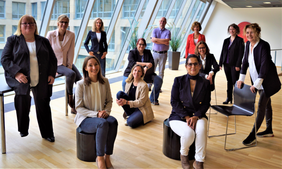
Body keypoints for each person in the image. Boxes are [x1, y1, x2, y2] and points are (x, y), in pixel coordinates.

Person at [1, 15, 57, 142]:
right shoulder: (12, 40)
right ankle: (23, 129)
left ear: (35, 25)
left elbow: (53, 59)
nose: (28, 25)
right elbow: (5, 59)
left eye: (31, 23)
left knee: (43, 104)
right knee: (22, 98)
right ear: (20, 26)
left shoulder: (43, 41)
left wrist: (51, 74)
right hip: (21, 77)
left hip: (41, 77)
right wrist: (16, 73)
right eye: (25, 23)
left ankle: (47, 133)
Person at [237, 23, 281, 146]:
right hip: (257, 81)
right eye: (247, 32)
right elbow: (245, 62)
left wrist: (257, 83)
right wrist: (241, 78)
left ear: (257, 33)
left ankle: (252, 135)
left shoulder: (264, 45)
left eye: (251, 32)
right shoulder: (247, 45)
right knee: (267, 104)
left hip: (267, 81)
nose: (249, 35)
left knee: (261, 105)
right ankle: (269, 129)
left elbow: (264, 65)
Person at [74, 56, 117, 169]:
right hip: (85, 118)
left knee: (113, 122)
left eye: (96, 64)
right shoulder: (80, 84)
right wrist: (96, 114)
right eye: (90, 65)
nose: (94, 67)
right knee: (102, 124)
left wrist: (106, 112)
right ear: (85, 68)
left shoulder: (105, 81)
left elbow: (109, 101)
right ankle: (100, 158)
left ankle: (108, 156)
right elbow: (78, 107)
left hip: (101, 115)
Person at [169, 54, 211, 169]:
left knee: (201, 129)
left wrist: (196, 116)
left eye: (195, 64)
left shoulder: (205, 83)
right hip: (179, 115)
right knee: (189, 133)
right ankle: (184, 155)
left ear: (199, 65)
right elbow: (174, 102)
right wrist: (187, 117)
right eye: (190, 64)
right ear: (186, 66)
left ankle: (199, 161)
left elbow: (207, 103)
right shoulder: (178, 80)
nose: (193, 66)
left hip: (198, 114)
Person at [46, 14, 82, 114]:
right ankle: (70, 97)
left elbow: (71, 51)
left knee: (81, 81)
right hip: (56, 64)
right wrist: (50, 68)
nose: (64, 24)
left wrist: (69, 65)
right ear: (58, 23)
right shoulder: (50, 34)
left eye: (66, 22)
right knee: (71, 74)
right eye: (62, 22)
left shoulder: (71, 35)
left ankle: (74, 106)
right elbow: (46, 52)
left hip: (66, 62)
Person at [122, 38, 163, 105]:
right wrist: (146, 64)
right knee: (124, 82)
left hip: (146, 74)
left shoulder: (148, 52)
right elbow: (133, 63)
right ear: (137, 44)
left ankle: (153, 99)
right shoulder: (132, 52)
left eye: (143, 45)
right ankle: (127, 99)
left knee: (159, 80)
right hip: (132, 73)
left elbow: (151, 63)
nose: (141, 46)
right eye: (140, 44)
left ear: (145, 45)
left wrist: (146, 68)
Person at [219, 23, 244, 104]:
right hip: (226, 64)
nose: (231, 31)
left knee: (235, 82)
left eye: (233, 29)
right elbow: (222, 52)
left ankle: (237, 99)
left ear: (236, 30)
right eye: (230, 29)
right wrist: (220, 63)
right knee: (229, 81)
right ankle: (229, 98)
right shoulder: (226, 40)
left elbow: (241, 53)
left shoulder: (239, 40)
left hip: (234, 65)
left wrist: (238, 65)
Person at [151, 17, 171, 91]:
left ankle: (158, 87)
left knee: (161, 71)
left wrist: (156, 40)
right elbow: (153, 40)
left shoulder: (168, 32)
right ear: (159, 22)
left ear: (165, 23)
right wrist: (163, 41)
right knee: (152, 70)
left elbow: (167, 41)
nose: (162, 22)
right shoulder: (155, 30)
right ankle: (150, 85)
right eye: (161, 21)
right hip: (155, 53)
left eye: (164, 21)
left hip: (163, 54)